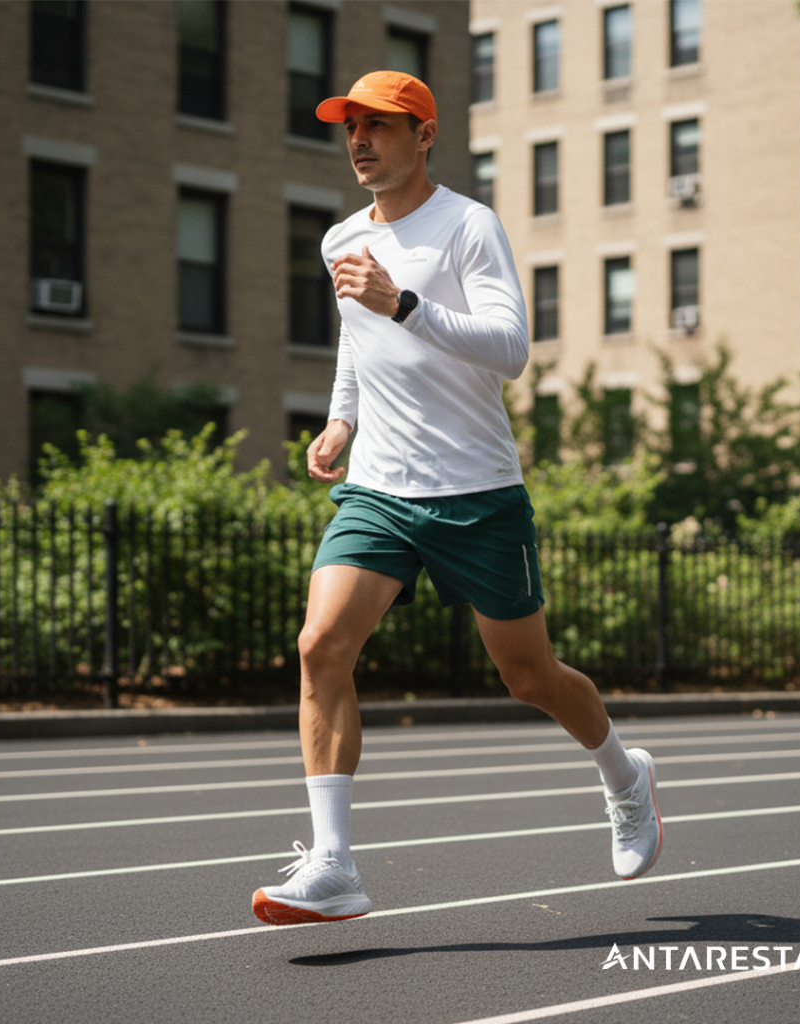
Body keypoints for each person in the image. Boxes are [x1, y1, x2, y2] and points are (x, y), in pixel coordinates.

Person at [251, 71, 661, 927]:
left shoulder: (469, 225)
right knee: (321, 644)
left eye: (379, 125)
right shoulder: (340, 239)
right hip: (381, 491)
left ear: (424, 134)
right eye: (351, 126)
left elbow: (510, 349)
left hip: (477, 492)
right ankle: (333, 864)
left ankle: (625, 776)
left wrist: (404, 303)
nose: (360, 140)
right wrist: (341, 419)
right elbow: (355, 339)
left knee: (529, 676)